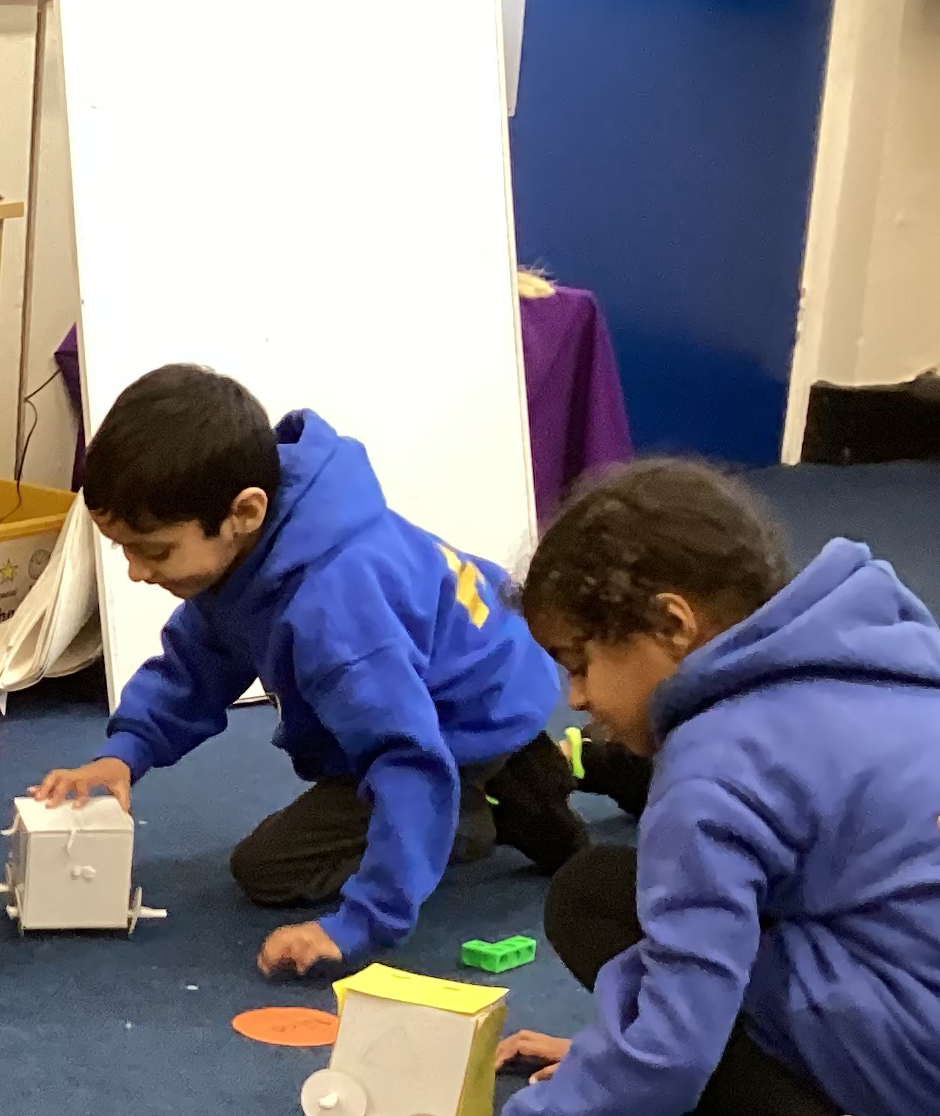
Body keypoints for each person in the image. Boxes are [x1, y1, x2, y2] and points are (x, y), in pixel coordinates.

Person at [386, 461, 940, 1116]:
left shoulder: (715, 766)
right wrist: (605, 1052)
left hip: (925, 1068)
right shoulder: (896, 662)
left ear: (671, 625)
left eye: (580, 662)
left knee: (596, 898)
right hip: (927, 1006)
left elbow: (675, 1041)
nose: (576, 698)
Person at [33, 365, 584, 979]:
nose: (136, 572)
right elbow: (196, 664)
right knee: (359, 749)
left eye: (154, 550)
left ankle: (475, 808)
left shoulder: (334, 610)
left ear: (244, 511)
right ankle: (513, 770)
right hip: (480, 672)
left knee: (268, 871)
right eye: (124, 549)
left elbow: (405, 756)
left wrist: (361, 923)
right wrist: (126, 752)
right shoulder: (269, 530)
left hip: (462, 716)